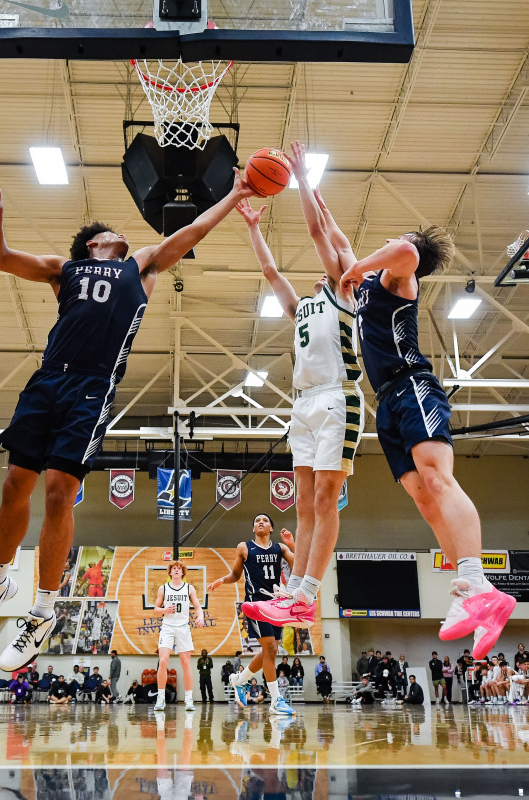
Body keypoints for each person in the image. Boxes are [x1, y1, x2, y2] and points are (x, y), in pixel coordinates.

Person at [0, 171, 259, 671]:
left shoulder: (140, 266)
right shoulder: (66, 269)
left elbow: (193, 233)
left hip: (92, 386)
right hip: (47, 380)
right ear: (94, 244)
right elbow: (0, 258)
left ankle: (41, 612)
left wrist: (233, 194)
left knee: (59, 490)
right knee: (16, 483)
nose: (123, 233)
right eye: (111, 231)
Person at [307, 160, 515, 658]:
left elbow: (402, 249)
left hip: (413, 385)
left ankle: (478, 583)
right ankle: (471, 596)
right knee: (424, 499)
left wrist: (358, 266)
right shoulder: (368, 287)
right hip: (388, 404)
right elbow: (330, 232)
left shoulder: (400, 278)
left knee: (438, 479)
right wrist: (305, 183)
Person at [232, 165, 361, 633]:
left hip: (336, 399)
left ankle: (307, 592)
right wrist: (253, 228)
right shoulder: (303, 308)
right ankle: (295, 592)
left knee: (327, 497)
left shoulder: (345, 289)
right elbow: (269, 270)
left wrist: (304, 179)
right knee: (303, 504)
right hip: (302, 405)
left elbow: (316, 230)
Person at [209, 513, 297, 716]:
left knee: (272, 650)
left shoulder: (279, 548)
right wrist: (222, 580)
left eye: (265, 520)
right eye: (256, 520)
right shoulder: (244, 547)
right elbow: (236, 575)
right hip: (255, 603)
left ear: (271, 528)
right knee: (269, 648)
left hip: (276, 603)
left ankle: (239, 680)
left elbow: (299, 565)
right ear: (253, 528)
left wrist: (292, 544)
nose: (260, 522)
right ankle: (276, 700)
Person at [153, 562, 205, 711]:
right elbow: (155, 609)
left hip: (183, 627)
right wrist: (165, 610)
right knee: (163, 661)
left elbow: (197, 607)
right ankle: (160, 698)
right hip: (167, 627)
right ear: (170, 573)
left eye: (179, 569)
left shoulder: (189, 588)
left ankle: (189, 700)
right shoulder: (163, 588)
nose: (176, 570)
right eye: (173, 569)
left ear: (183, 572)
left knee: (186, 662)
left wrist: (200, 617)